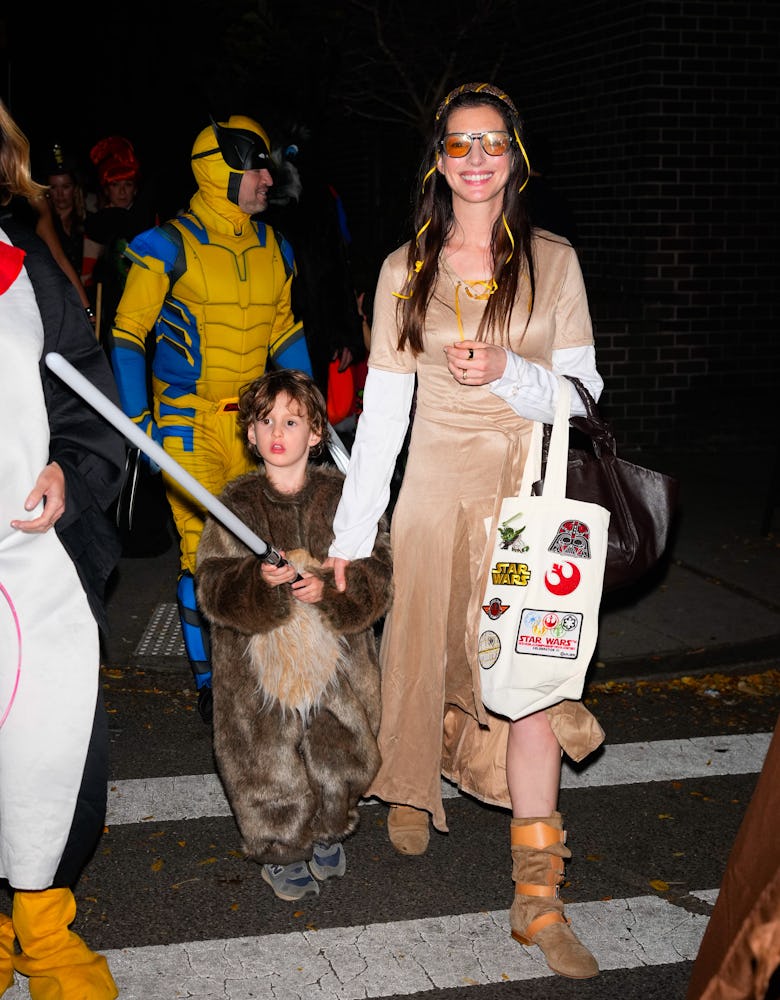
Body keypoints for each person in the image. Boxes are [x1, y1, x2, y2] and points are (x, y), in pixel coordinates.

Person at [326, 82, 605, 980]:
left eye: (492, 143)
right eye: (459, 144)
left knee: (528, 677)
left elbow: (585, 398)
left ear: (515, 155)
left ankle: (537, 894)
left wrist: (511, 374)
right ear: (439, 160)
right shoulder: (405, 267)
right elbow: (381, 418)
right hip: (436, 488)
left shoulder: (553, 261)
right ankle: (411, 782)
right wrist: (348, 536)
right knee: (423, 649)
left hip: (527, 492)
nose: (476, 159)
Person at [110, 115, 313, 724]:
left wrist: (308, 411)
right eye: (254, 165)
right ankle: (210, 681)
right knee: (203, 554)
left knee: (272, 552)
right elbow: (127, 334)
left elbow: (286, 332)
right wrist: (139, 423)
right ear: (218, 168)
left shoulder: (276, 247)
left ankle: (257, 664)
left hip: (257, 427)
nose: (266, 177)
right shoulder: (166, 245)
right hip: (185, 421)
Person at [0, 98, 125, 998]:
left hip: (26, 565)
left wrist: (70, 475)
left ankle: (39, 926)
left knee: (48, 741)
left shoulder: (25, 273)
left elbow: (91, 404)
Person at [195, 369, 392, 900]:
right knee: (265, 756)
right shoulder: (233, 506)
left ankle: (330, 825)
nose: (277, 432)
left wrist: (330, 588)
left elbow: (378, 571)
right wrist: (257, 582)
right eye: (265, 422)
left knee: (344, 746)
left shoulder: (346, 500)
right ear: (251, 435)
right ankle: (280, 847)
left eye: (291, 420)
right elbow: (211, 585)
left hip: (340, 663)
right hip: (258, 671)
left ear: (315, 433)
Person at [83, 135, 158, 341]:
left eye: (128, 184)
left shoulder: (150, 218)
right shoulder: (98, 223)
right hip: (111, 305)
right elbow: (86, 274)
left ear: (135, 188)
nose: (122, 191)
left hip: (146, 304)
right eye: (116, 185)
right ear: (107, 190)